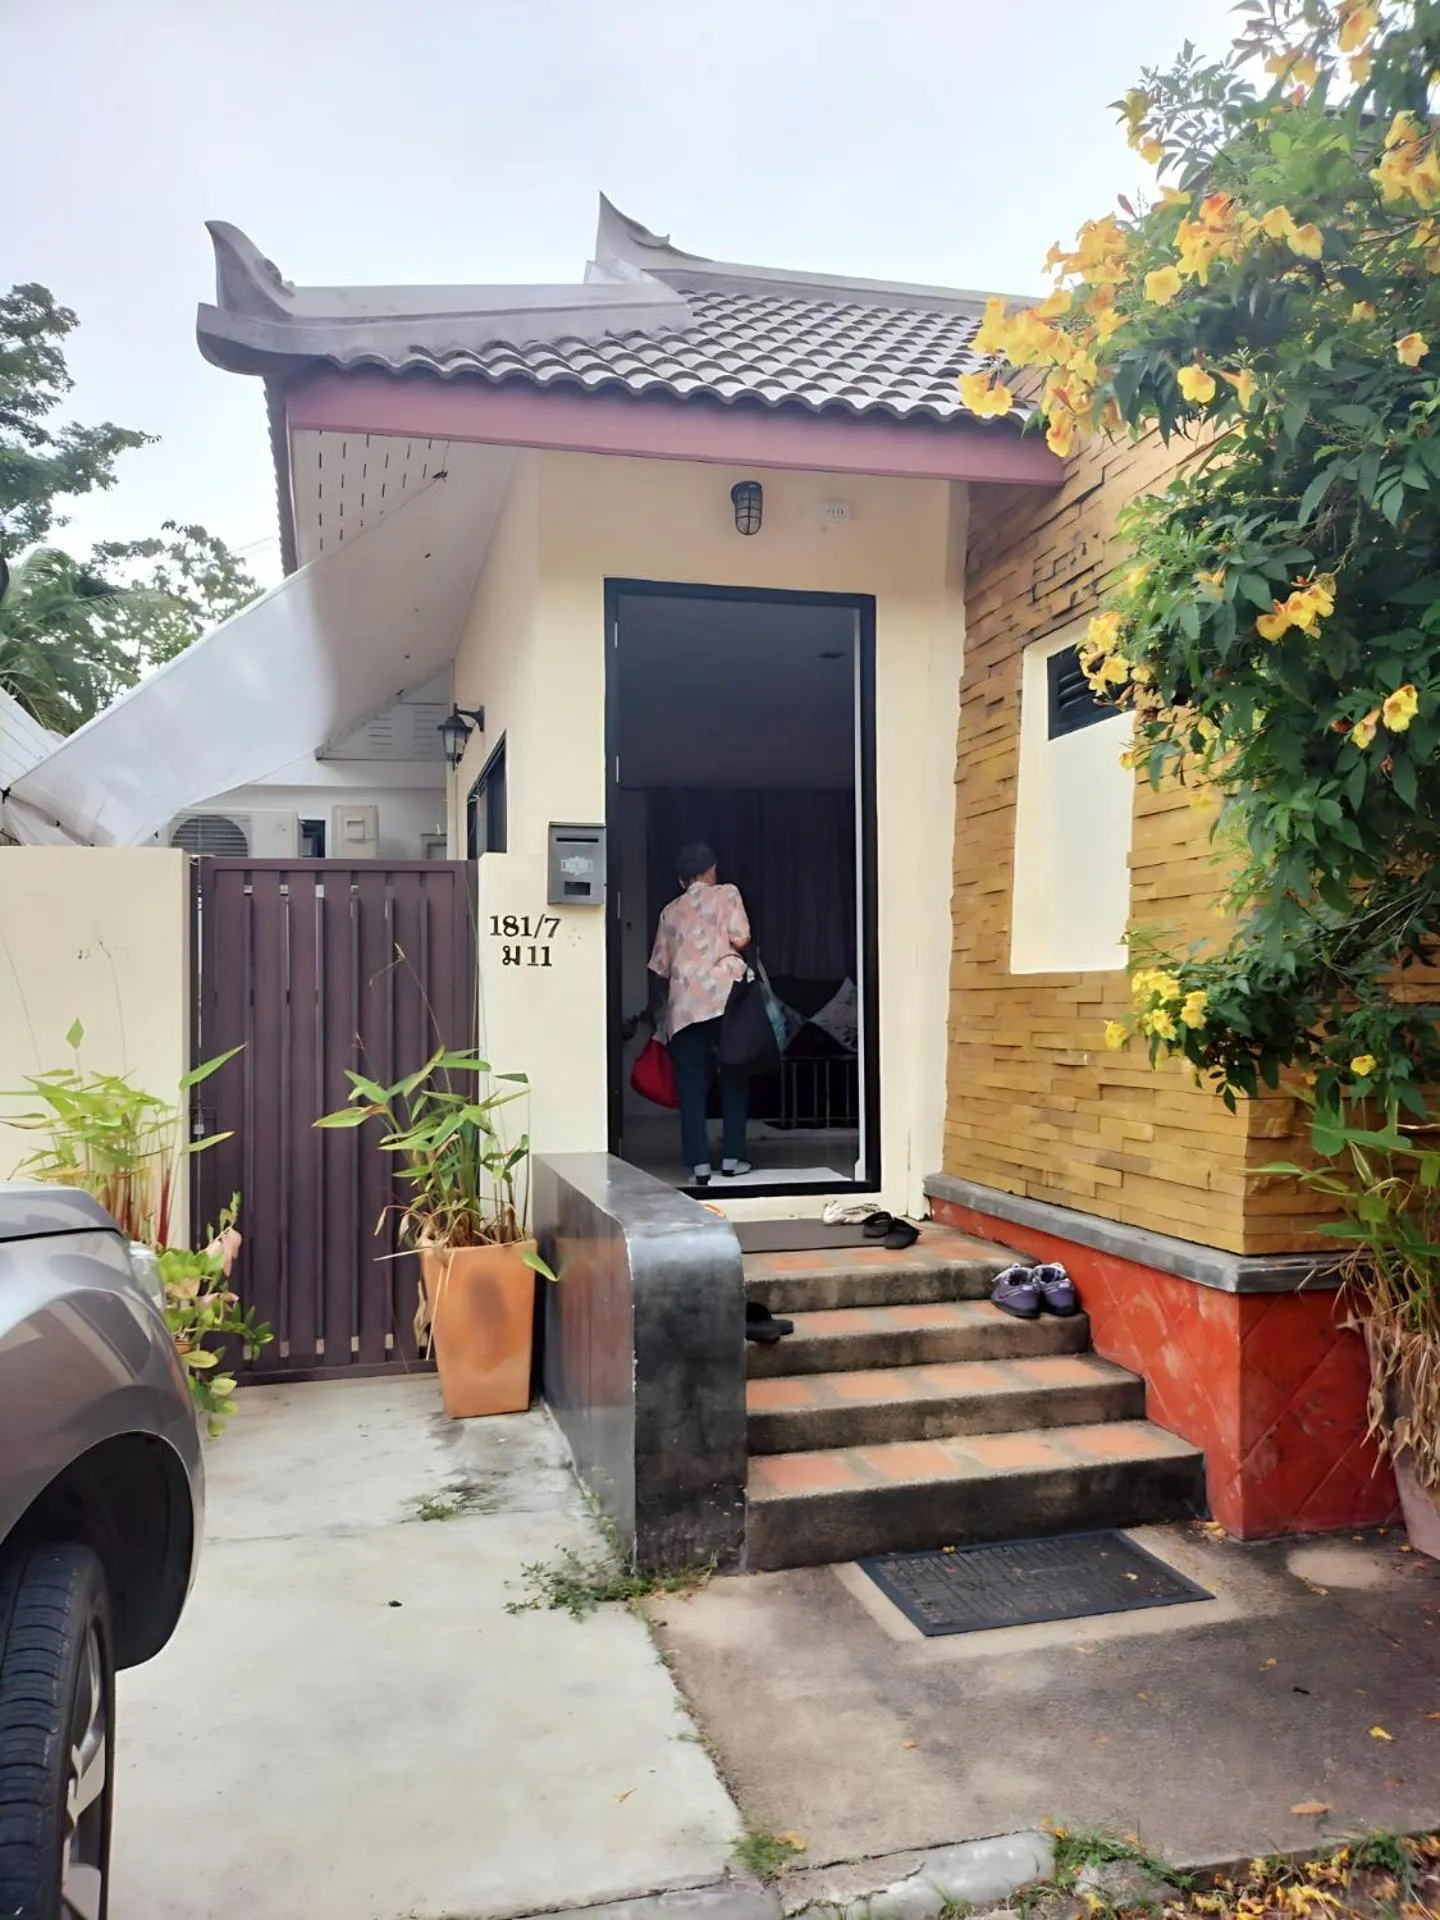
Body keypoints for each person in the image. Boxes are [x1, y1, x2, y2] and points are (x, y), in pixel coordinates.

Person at [647, 841, 754, 1187]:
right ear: (711, 870)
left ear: (681, 881)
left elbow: (660, 967)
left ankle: (699, 1166)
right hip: (725, 999)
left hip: (685, 1007)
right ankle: (732, 1159)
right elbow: (741, 938)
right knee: (734, 1074)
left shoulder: (669, 911)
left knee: (691, 1085)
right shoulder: (727, 894)